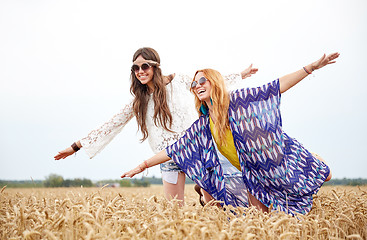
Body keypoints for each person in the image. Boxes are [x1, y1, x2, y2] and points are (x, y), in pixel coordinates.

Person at [121, 52, 339, 215]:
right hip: (253, 175)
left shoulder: (237, 101)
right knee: (260, 219)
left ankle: (315, 158)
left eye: (202, 81)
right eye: (194, 84)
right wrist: (143, 165)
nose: (197, 85)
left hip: (278, 158)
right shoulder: (204, 124)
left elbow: (274, 88)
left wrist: (310, 67)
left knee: (323, 175)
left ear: (214, 82)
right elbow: (175, 149)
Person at [54, 47, 258, 206]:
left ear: (155, 66)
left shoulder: (179, 82)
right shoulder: (139, 101)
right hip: (167, 157)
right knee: (173, 214)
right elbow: (112, 123)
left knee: (215, 207)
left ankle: (205, 199)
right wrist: (75, 146)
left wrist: (241, 75)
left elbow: (210, 83)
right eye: (135, 68)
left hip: (196, 151)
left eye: (145, 66)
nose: (140, 71)